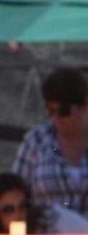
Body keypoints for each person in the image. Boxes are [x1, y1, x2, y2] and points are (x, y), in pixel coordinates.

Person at [12, 67, 88, 214]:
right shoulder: (36, 141)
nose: (56, 118)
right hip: (46, 233)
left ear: (85, 105)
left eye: (64, 111)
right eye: (50, 111)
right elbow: (14, 193)